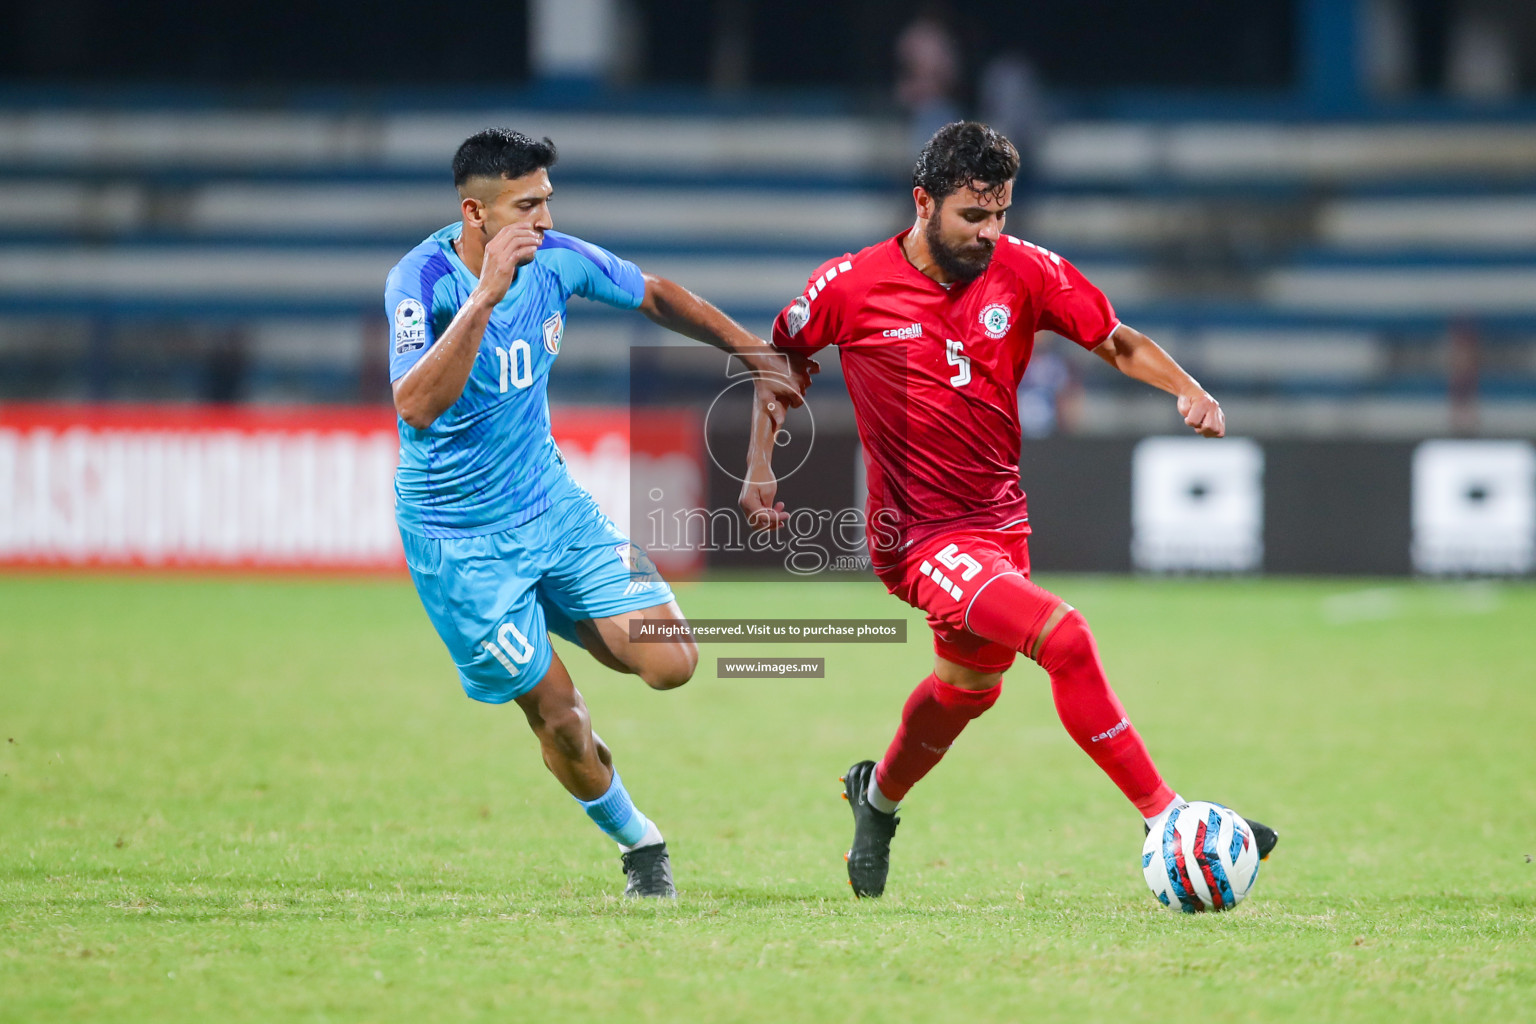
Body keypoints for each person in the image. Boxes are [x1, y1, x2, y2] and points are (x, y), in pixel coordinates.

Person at [740, 121, 1276, 898]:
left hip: (998, 523)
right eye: (973, 216)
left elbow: (1114, 340)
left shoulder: (1025, 270)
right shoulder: (851, 285)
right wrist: (760, 464)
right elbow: (780, 359)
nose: (991, 233)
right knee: (1065, 638)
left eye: (1001, 215)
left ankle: (877, 800)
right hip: (916, 537)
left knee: (965, 692)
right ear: (923, 202)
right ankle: (1168, 818)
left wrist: (1187, 389)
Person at [387, 128, 810, 898]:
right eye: (528, 205)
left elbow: (652, 293)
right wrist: (484, 299)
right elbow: (413, 406)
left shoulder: (556, 259)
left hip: (554, 507)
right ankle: (640, 846)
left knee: (670, 660)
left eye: (548, 200)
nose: (546, 219)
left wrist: (752, 350)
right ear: (475, 212)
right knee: (562, 721)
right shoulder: (420, 280)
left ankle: (552, 613)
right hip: (460, 543)